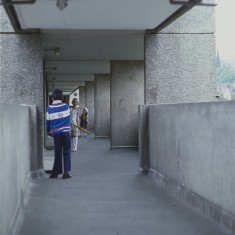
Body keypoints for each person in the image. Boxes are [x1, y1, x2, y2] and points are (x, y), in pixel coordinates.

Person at [46, 89, 72, 179]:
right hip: (66, 133)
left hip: (56, 133)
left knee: (58, 153)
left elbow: (48, 122)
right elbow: (69, 119)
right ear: (62, 98)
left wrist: (49, 132)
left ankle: (55, 173)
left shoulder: (50, 108)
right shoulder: (66, 106)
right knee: (67, 152)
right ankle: (66, 173)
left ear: (52, 98)